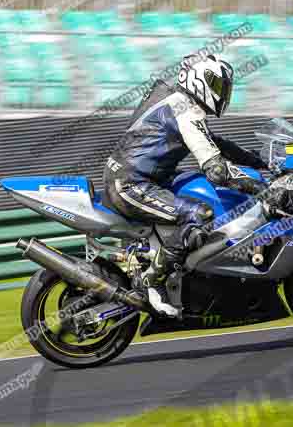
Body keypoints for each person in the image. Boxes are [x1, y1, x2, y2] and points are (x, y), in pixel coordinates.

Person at [102, 53, 268, 318]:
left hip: (142, 178)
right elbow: (216, 169)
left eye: (224, 88)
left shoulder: (176, 102)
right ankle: (152, 281)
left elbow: (216, 144)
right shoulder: (184, 110)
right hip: (130, 185)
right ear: (196, 80)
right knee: (199, 214)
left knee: (194, 189)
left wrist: (258, 162)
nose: (221, 93)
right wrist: (260, 188)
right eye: (216, 86)